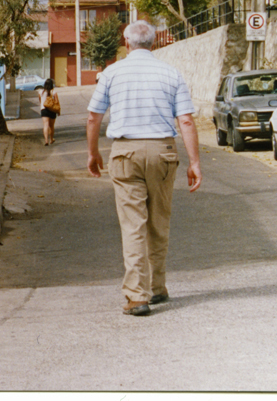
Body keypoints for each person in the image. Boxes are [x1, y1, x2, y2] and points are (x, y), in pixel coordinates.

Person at [86, 20, 201, 317]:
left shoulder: (111, 73)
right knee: (159, 221)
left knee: (132, 224)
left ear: (126, 42)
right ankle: (158, 288)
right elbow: (186, 120)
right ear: (155, 42)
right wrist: (195, 162)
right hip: (163, 151)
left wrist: (93, 153)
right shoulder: (171, 73)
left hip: (125, 153)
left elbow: (93, 117)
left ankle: (137, 296)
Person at [38, 79, 59, 146]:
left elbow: (40, 101)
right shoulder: (54, 92)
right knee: (51, 126)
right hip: (52, 110)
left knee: (45, 125)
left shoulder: (40, 92)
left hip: (44, 110)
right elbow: (57, 102)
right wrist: (58, 110)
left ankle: (46, 140)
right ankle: (51, 139)